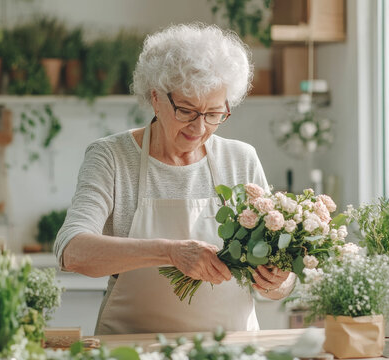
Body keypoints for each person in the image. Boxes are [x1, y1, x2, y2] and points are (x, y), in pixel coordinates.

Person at [54, 23, 296, 335]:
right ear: (155, 98)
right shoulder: (111, 157)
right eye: (186, 111)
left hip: (230, 350)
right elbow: (71, 251)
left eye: (213, 114)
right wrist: (170, 252)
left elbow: (281, 277)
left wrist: (278, 281)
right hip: (132, 349)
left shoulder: (241, 159)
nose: (199, 128)